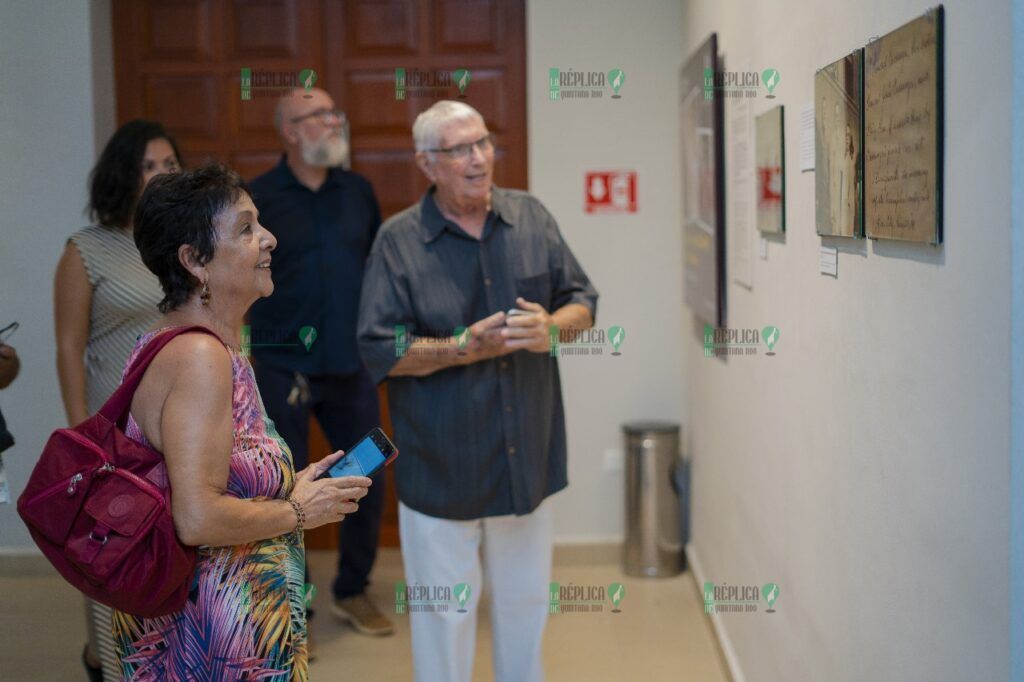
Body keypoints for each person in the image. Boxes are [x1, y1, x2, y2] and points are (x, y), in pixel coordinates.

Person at [357, 101, 598, 682]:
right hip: (442, 465)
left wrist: (551, 329)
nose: (477, 159)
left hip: (525, 458)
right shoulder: (398, 242)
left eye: (483, 143)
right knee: (445, 619)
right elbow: (379, 349)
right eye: (459, 149)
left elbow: (583, 301)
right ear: (427, 163)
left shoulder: (531, 216)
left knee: (524, 609)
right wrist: (461, 346)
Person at [112, 163, 372, 680]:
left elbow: (204, 481)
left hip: (235, 624)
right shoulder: (198, 359)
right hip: (216, 636)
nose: (269, 239)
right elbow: (198, 518)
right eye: (246, 229)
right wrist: (297, 512)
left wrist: (289, 489)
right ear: (194, 261)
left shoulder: (200, 345)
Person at [247, 87, 392, 636]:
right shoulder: (257, 198)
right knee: (283, 489)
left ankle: (353, 591)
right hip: (282, 368)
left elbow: (376, 268)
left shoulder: (358, 190)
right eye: (318, 116)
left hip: (350, 365)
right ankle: (291, 606)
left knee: (364, 477)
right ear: (289, 130)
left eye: (336, 113)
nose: (333, 123)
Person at [53, 119, 182, 682]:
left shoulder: (181, 242)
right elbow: (67, 346)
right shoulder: (87, 250)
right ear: (122, 175)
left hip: (177, 425)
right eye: (148, 165)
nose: (160, 175)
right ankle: (106, 663)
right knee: (110, 550)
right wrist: (83, 434)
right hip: (112, 428)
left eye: (170, 164)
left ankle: (154, 660)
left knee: (169, 549)